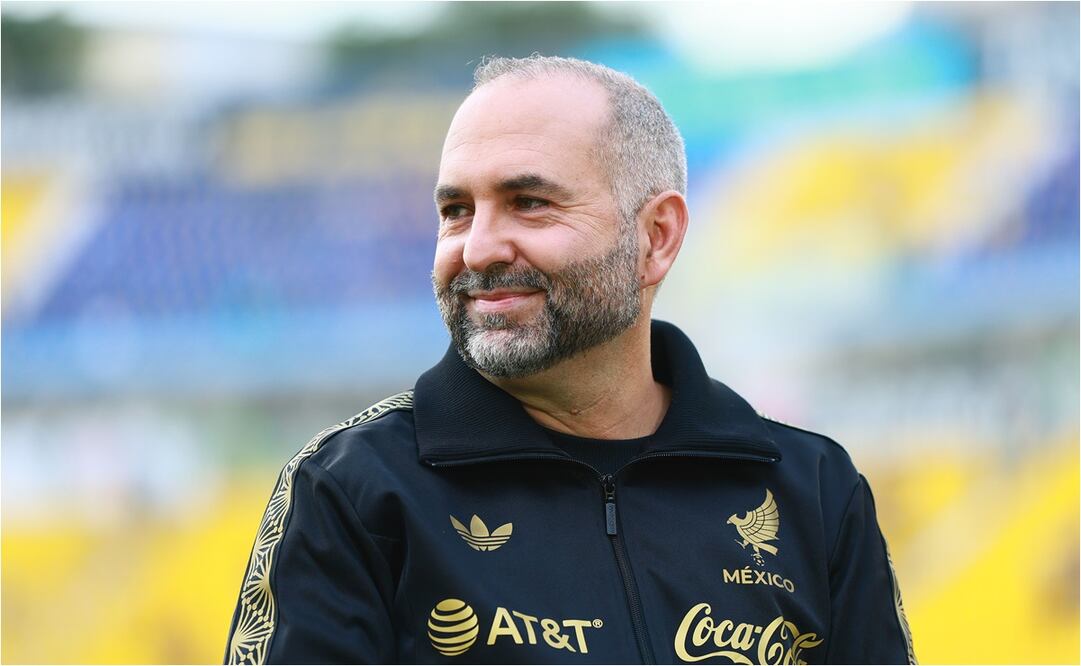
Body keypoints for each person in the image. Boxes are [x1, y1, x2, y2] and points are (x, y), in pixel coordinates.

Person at [224, 55, 916, 665]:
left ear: (657, 236)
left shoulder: (814, 491)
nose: (479, 248)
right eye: (457, 210)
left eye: (528, 203)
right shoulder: (352, 492)